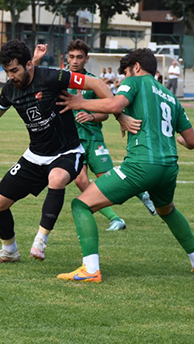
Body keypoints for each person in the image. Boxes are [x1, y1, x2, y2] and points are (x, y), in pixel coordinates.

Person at [56, 48, 194, 282]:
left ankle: (91, 270)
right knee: (167, 210)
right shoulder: (170, 96)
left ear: (136, 67)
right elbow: (193, 141)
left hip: (141, 165)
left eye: (126, 72)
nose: (125, 77)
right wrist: (177, 140)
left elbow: (115, 105)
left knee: (81, 205)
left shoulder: (135, 81)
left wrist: (80, 102)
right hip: (169, 167)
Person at [0, 39, 116, 263]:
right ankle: (9, 250)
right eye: (7, 71)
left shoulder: (52, 77)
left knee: (56, 178)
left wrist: (116, 112)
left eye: (14, 70)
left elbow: (96, 83)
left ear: (29, 64)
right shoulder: (10, 90)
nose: (11, 76)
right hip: (35, 155)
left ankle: (41, 240)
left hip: (67, 152)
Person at [32, 41, 156, 233]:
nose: (75, 61)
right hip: (70, 142)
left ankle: (141, 193)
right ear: (67, 57)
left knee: (106, 178)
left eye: (79, 57)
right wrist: (36, 60)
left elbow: (106, 112)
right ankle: (115, 219)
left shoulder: (93, 82)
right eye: (71, 57)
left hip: (93, 138)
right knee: (80, 181)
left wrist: (91, 116)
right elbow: (34, 78)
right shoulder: (59, 78)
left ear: (86, 59)